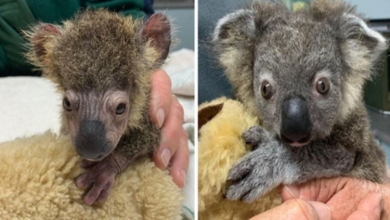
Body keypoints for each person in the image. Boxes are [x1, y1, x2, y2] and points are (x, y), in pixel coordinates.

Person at [0, 0, 189, 188]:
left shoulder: (143, 95)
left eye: (119, 107)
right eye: (68, 104)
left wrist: (114, 162)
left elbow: (149, 136)